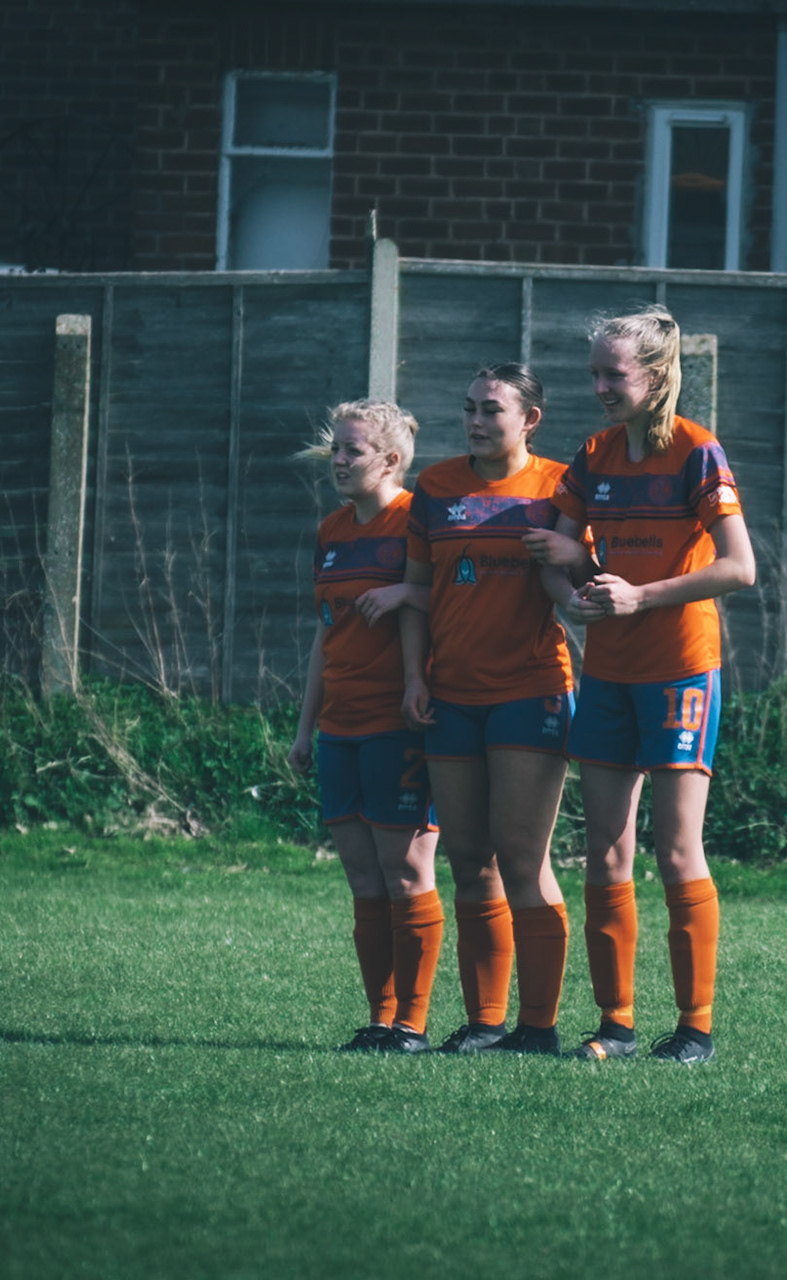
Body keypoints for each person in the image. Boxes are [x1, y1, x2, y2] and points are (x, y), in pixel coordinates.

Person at [525, 305, 755, 1065]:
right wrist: (575, 593)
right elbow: (559, 559)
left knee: (677, 850)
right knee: (605, 853)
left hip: (681, 669)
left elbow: (740, 568)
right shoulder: (593, 456)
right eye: (593, 373)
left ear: (655, 377)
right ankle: (616, 1026)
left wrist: (639, 596)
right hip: (609, 673)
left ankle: (695, 1030)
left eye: (612, 374)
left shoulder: (697, 451)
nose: (599, 387)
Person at [401, 363, 579, 1055]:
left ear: (530, 419)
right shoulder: (435, 487)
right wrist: (415, 677)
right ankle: (485, 1023)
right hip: (450, 695)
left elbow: (581, 576)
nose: (475, 421)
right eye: (469, 408)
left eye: (491, 410)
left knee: (523, 859)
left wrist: (577, 560)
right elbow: (417, 592)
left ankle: (539, 1028)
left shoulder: (561, 486)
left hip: (531, 689)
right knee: (471, 860)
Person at [287, 400, 443, 1055]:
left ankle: (412, 1023)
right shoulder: (331, 530)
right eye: (336, 448)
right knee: (362, 877)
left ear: (391, 460)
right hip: (340, 727)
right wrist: (305, 728)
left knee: (405, 871)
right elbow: (325, 637)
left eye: (353, 450)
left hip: (397, 723)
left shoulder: (416, 520)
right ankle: (380, 1019)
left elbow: (453, 599)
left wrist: (407, 605)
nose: (338, 460)